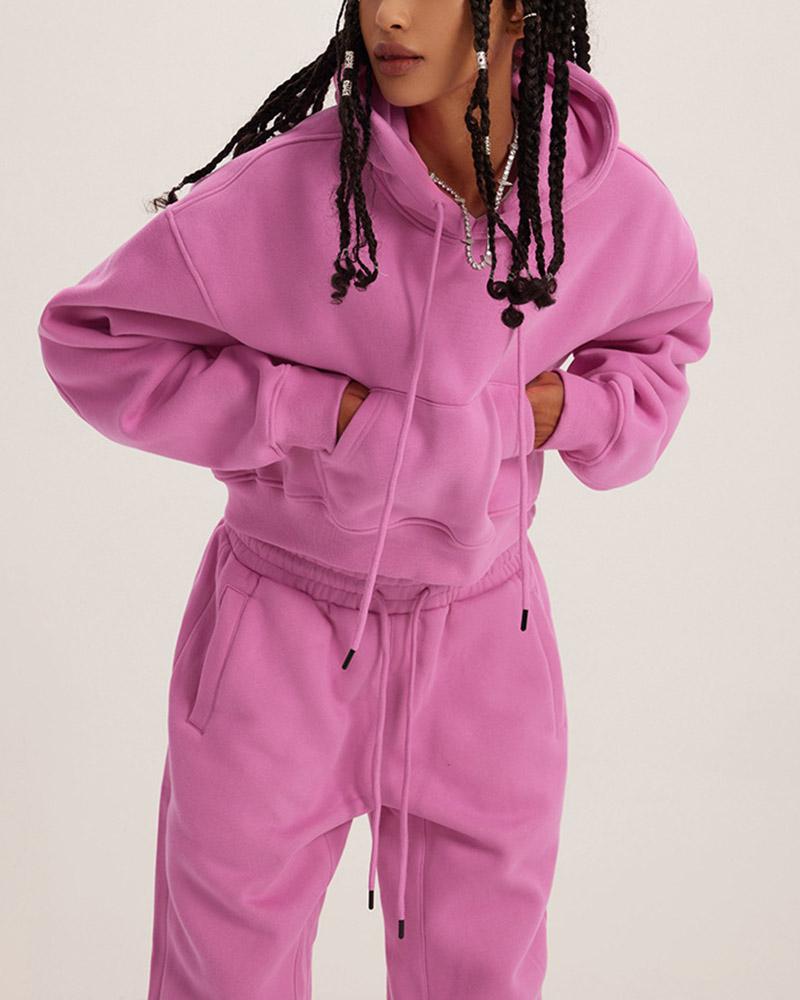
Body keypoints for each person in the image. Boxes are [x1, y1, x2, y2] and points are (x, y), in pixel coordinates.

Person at [36, 1, 714, 997]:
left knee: (480, 979)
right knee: (224, 978)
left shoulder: (599, 196)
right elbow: (92, 340)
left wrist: (566, 411)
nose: (387, 14)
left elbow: (663, 347)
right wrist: (307, 410)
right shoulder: (288, 189)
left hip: (486, 642)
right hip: (278, 635)